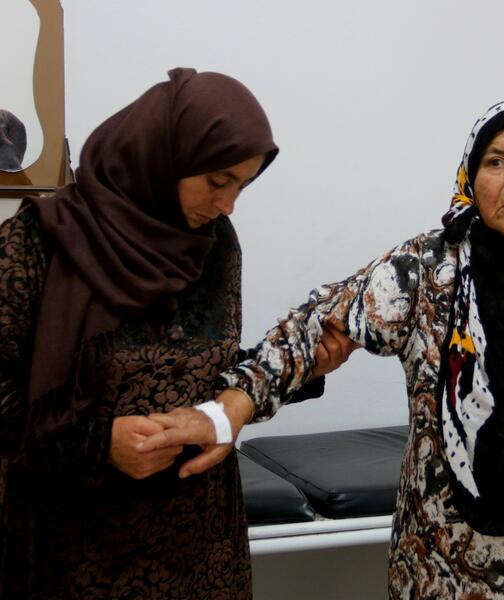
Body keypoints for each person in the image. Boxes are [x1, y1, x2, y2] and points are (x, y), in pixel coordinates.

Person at [144, 100, 504, 599]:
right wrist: (229, 410)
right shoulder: (428, 269)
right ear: (470, 174)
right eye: (495, 161)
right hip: (444, 566)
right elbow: (317, 324)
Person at [0, 67, 339, 599]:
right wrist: (98, 446)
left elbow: (206, 370)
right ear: (164, 157)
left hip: (203, 555)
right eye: (217, 181)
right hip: (78, 555)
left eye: (243, 185)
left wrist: (300, 370)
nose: (228, 205)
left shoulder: (214, 245)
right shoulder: (37, 244)